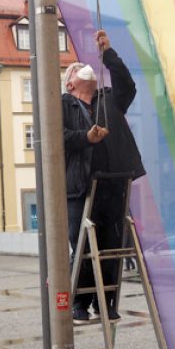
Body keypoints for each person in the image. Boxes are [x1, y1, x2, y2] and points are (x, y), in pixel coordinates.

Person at [63, 29, 143, 325]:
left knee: (111, 246)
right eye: (75, 69)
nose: (81, 68)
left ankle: (105, 301)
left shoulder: (108, 98)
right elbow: (58, 138)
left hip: (113, 183)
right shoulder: (63, 104)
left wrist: (108, 54)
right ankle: (79, 302)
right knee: (83, 245)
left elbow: (128, 85)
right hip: (81, 187)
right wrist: (87, 138)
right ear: (70, 82)